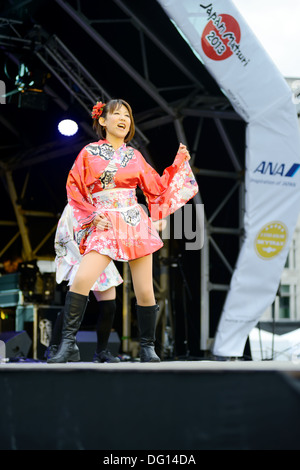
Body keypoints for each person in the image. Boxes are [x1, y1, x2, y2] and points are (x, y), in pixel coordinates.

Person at [48, 98, 198, 364]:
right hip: (104, 220)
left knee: (144, 290)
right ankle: (68, 344)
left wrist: (177, 165)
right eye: (117, 114)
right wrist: (93, 216)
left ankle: (147, 347)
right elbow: (74, 188)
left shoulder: (135, 156)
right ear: (102, 121)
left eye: (127, 115)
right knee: (83, 280)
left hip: (132, 219)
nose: (124, 119)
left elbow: (157, 189)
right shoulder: (89, 153)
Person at [46, 203, 123, 363]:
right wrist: (75, 257)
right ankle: (54, 347)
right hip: (79, 255)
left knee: (109, 305)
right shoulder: (74, 204)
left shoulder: (106, 201)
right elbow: (64, 233)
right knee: (74, 303)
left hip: (101, 254)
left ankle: (102, 351)